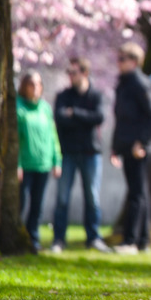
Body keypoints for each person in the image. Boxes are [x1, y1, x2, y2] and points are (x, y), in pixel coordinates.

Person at [51, 57, 112, 253]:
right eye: (68, 72)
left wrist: (74, 113)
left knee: (92, 197)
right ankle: (59, 239)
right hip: (68, 152)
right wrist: (83, 119)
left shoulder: (95, 95)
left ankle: (93, 238)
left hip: (90, 152)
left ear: (85, 73)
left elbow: (99, 117)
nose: (70, 76)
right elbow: (60, 118)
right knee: (62, 198)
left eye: (74, 72)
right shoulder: (63, 95)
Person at [110, 42, 151, 254]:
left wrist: (141, 142)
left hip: (139, 149)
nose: (119, 63)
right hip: (127, 147)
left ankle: (131, 241)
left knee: (137, 194)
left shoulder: (139, 84)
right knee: (139, 193)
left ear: (134, 61)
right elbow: (121, 119)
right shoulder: (124, 84)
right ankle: (142, 242)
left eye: (123, 59)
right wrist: (115, 147)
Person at [16, 71, 61, 253]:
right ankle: (19, 236)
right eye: (31, 84)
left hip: (43, 164)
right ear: (24, 86)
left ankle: (33, 239)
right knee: (22, 202)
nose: (35, 88)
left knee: (37, 205)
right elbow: (14, 140)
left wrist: (56, 160)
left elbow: (53, 136)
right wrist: (17, 164)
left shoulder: (45, 108)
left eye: (38, 84)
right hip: (25, 164)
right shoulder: (18, 107)